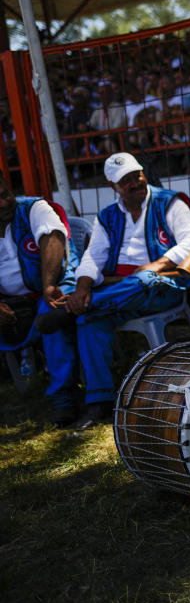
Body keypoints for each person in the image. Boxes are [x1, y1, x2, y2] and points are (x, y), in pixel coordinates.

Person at [40, 153, 190, 429]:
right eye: (125, 180)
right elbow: (92, 258)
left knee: (144, 281)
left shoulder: (169, 202)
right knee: (89, 319)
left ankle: (72, 309)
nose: (134, 182)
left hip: (163, 285)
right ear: (112, 185)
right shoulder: (107, 216)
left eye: (136, 175)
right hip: (118, 293)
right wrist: (81, 289)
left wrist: (155, 265)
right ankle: (99, 400)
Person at [0, 181, 80, 426]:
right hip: (11, 300)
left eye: (5, 194)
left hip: (55, 283)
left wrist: (47, 285)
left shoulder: (34, 207)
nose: (4, 203)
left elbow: (53, 239)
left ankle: (64, 398)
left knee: (51, 311)